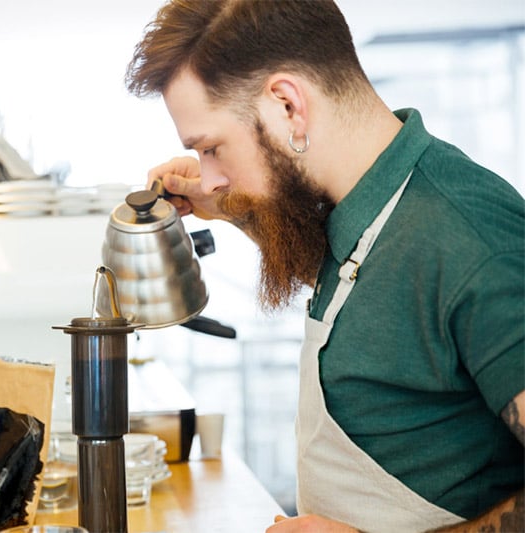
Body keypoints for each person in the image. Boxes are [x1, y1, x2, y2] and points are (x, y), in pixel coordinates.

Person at [124, 1, 524, 532]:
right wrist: (231, 207)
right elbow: (384, 298)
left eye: (214, 148)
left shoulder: (470, 236)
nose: (210, 175)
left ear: (288, 106)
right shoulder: (364, 210)